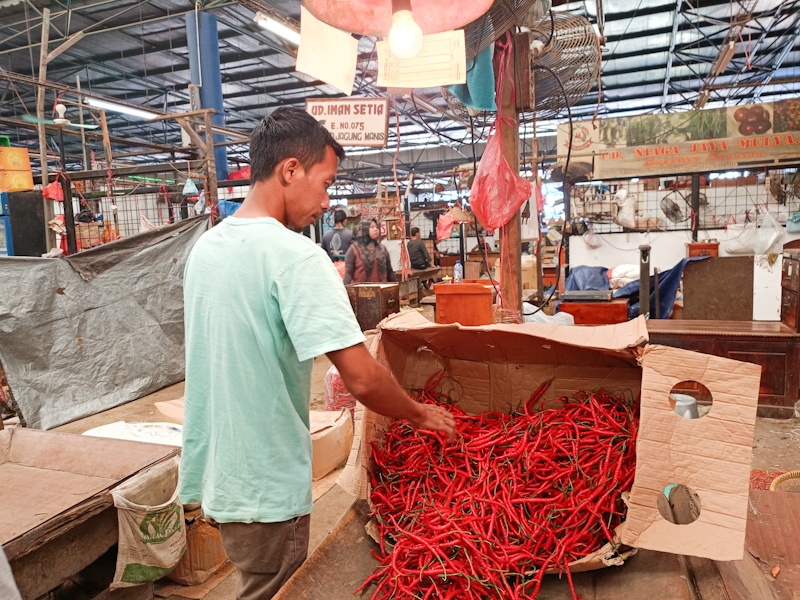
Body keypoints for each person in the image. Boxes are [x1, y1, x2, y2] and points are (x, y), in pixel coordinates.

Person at [179, 107, 455, 600]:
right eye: (325, 183)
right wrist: (420, 415)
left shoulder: (207, 248)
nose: (328, 201)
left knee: (254, 583)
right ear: (290, 170)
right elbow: (362, 379)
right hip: (267, 486)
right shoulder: (297, 256)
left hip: (221, 476)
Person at [342, 219, 397, 284]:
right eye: (372, 227)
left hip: (381, 292)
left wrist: (397, 290)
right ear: (364, 230)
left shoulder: (382, 248)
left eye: (376, 227)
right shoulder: (353, 250)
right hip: (360, 292)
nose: (376, 229)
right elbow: (348, 274)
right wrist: (345, 291)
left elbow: (390, 271)